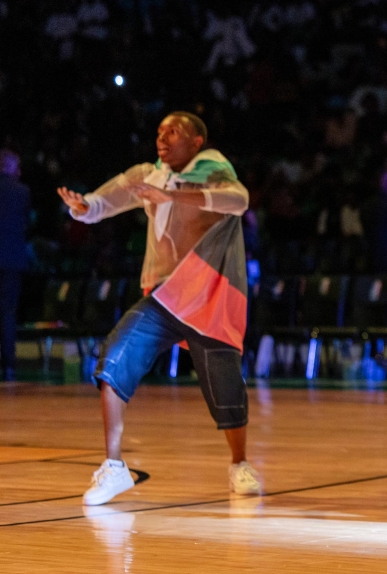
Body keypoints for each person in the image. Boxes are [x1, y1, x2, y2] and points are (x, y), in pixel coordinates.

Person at [57, 111, 262, 505]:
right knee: (113, 358)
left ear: (197, 141)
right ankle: (114, 467)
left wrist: (175, 196)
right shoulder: (149, 176)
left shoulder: (214, 169)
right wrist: (83, 207)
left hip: (207, 298)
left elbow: (239, 200)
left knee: (224, 385)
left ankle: (239, 463)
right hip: (165, 298)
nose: (162, 138)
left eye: (174, 132)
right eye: (159, 131)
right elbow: (104, 201)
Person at [0, 149, 31, 382]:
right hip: (11, 259)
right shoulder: (22, 191)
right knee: (8, 312)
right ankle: (9, 364)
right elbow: (25, 224)